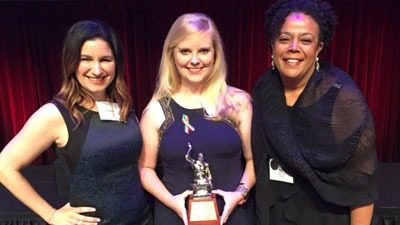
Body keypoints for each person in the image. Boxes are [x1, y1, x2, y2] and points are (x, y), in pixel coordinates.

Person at [0, 20, 152, 225]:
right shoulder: (55, 114)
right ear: (71, 63)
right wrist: (51, 214)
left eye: (105, 59)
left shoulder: (121, 104)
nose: (97, 70)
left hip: (142, 219)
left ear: (117, 62)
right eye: (86, 59)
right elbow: (4, 166)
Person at [251, 0, 379, 224]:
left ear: (319, 47)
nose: (293, 47)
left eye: (306, 40)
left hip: (326, 216)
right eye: (284, 38)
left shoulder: (342, 98)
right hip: (274, 214)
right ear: (272, 44)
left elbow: (362, 184)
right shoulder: (264, 89)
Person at [139, 13, 255, 225]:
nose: (194, 60)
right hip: (175, 217)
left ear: (215, 54)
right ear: (172, 54)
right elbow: (145, 169)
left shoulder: (238, 102)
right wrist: (173, 202)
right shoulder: (156, 111)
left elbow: (253, 160)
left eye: (203, 51)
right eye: (185, 51)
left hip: (233, 216)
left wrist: (239, 194)